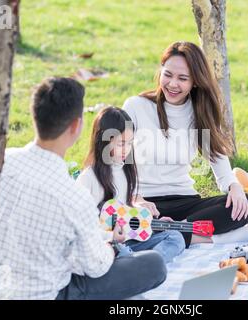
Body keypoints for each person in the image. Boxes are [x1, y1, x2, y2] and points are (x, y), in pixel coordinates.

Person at [0, 77, 166, 300]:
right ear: (76, 127)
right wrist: (110, 246)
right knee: (154, 264)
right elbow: (95, 266)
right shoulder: (74, 195)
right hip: (51, 294)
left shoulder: (2, 162)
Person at [122, 41, 248, 249]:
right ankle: (188, 235)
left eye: (182, 78)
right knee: (115, 217)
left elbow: (218, 160)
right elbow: (116, 162)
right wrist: (135, 198)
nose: (173, 84)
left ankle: (169, 232)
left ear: (195, 81)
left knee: (244, 204)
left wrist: (234, 186)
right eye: (168, 74)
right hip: (144, 202)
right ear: (160, 71)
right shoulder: (136, 106)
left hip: (184, 201)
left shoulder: (200, 112)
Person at [76, 106, 185, 264]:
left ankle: (147, 264)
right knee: (121, 252)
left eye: (129, 143)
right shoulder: (89, 178)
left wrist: (151, 224)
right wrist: (110, 236)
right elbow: (82, 227)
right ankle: (142, 264)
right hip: (106, 245)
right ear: (103, 142)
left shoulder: (125, 171)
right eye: (120, 144)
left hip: (128, 242)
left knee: (175, 237)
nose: (126, 150)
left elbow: (125, 213)